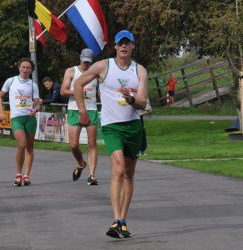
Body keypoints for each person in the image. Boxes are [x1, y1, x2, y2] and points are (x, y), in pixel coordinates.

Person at [74, 30, 148, 238]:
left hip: (133, 126)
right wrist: (82, 111)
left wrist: (131, 99)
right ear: (115, 46)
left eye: (128, 43)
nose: (124, 46)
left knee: (129, 174)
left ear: (133, 46)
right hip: (112, 126)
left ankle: (123, 221)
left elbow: (142, 102)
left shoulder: (140, 71)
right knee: (118, 168)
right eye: (120, 43)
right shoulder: (103, 66)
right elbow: (78, 84)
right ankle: (116, 219)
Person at [0, 58, 40, 186]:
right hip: (16, 118)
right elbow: (0, 96)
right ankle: (18, 173)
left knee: (30, 147)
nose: (26, 70)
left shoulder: (33, 85)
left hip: (30, 118)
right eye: (24, 67)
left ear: (31, 70)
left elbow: (37, 104)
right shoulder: (11, 81)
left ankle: (26, 175)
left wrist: (36, 110)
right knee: (22, 143)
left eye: (28, 68)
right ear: (19, 68)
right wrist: (1, 111)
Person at [60, 48, 99, 186]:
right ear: (80, 58)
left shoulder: (96, 73)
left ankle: (92, 175)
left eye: (88, 62)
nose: (86, 65)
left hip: (91, 110)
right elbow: (63, 91)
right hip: (74, 110)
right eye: (84, 62)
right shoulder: (71, 71)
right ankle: (81, 163)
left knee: (91, 144)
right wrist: (77, 92)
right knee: (74, 144)